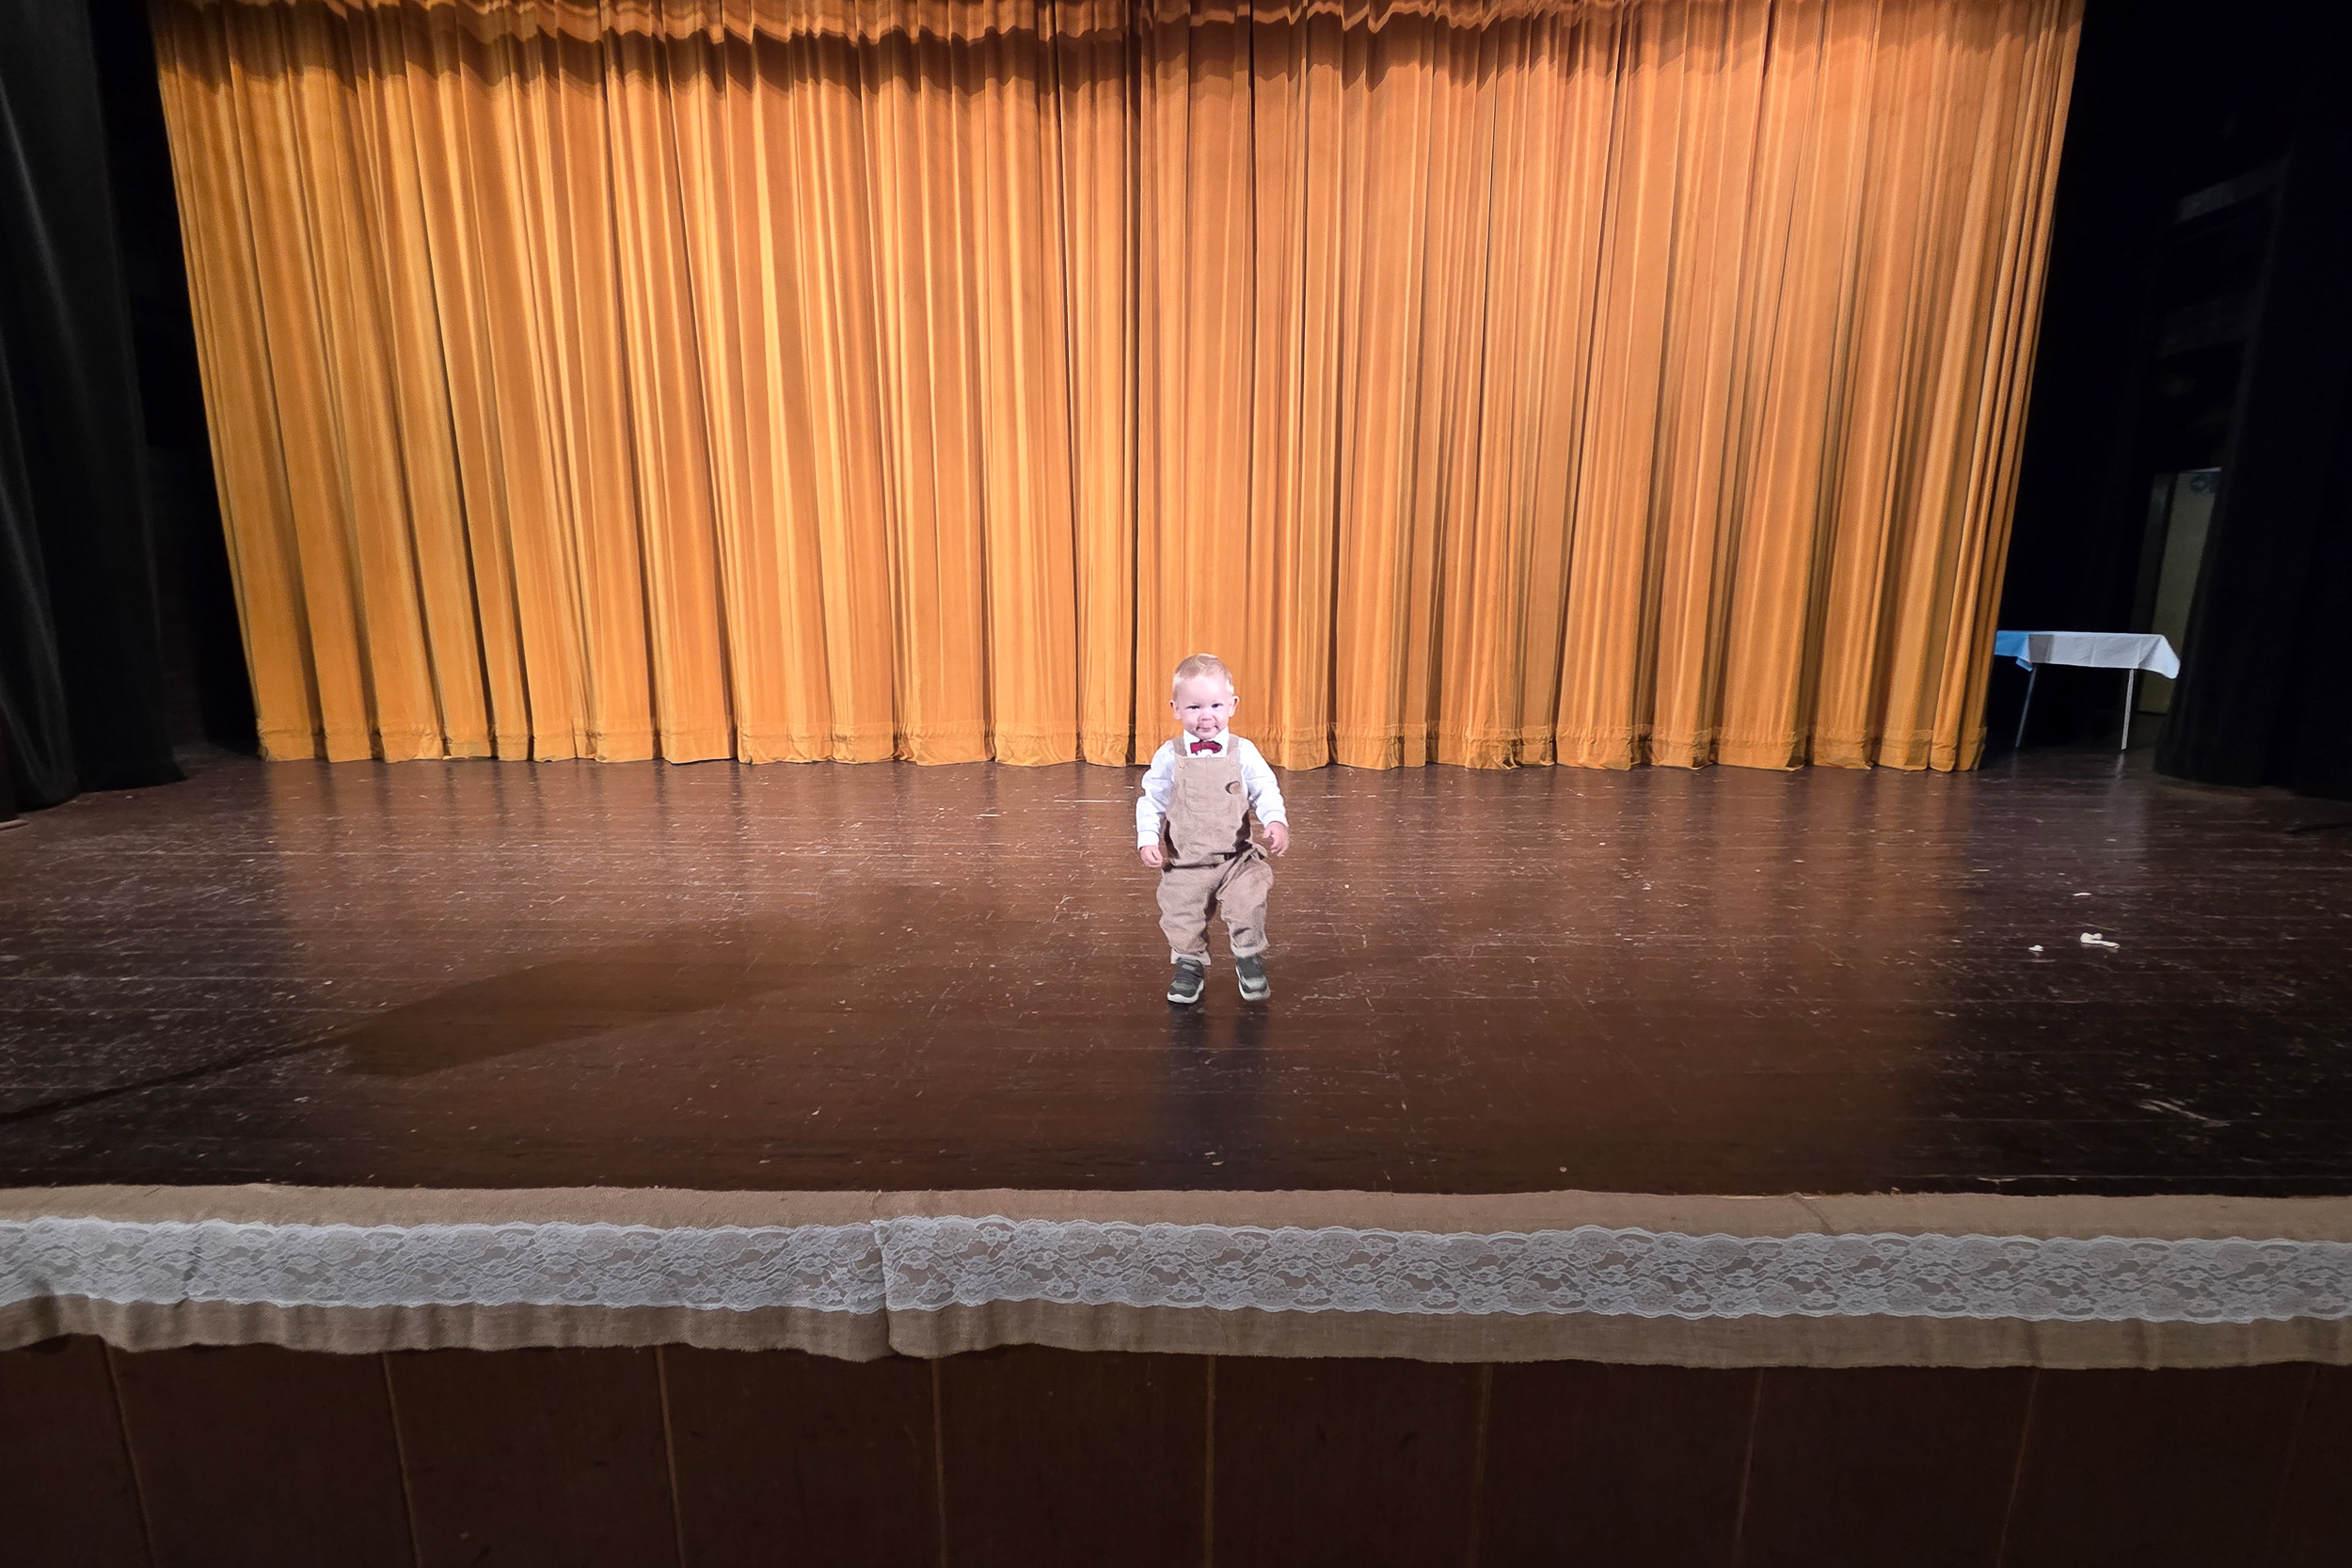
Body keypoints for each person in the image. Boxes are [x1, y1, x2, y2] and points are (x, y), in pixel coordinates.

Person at [1136, 654, 1289, 1004]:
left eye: (1216, 705)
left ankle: (1248, 956)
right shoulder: (1170, 755)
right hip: (1186, 860)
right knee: (1181, 913)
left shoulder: (1243, 752)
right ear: (1176, 709)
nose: (1206, 716)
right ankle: (1189, 963)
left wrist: (1275, 820)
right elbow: (1151, 799)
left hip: (1236, 857)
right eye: (1194, 707)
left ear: (1232, 705)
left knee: (1249, 902)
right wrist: (1147, 837)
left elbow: (1265, 789)